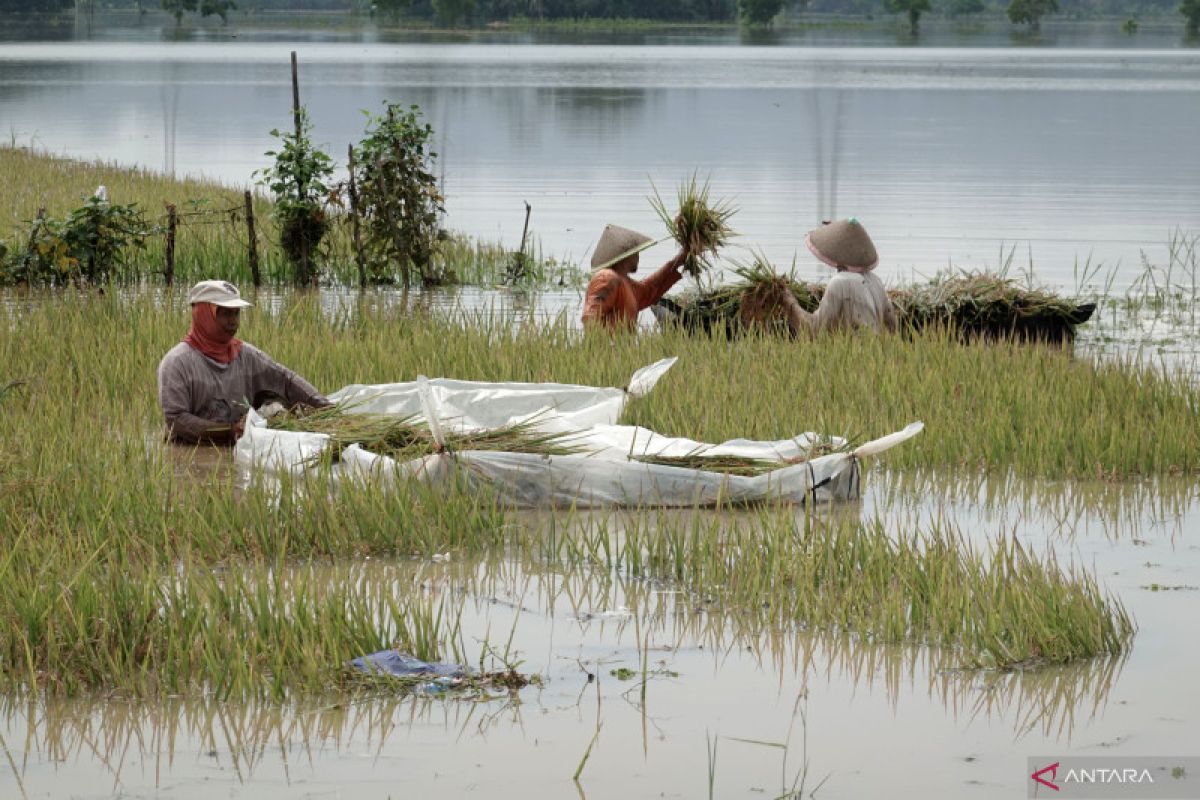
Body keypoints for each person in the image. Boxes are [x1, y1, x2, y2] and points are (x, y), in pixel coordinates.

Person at [157, 280, 330, 444]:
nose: (233, 322)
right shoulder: (177, 363)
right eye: (225, 313)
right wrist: (229, 431)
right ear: (204, 315)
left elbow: (285, 380)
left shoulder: (246, 355)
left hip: (236, 448)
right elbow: (176, 419)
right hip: (189, 454)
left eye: (236, 313)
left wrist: (324, 407)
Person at [773, 218, 898, 336]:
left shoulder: (839, 283)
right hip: (875, 352)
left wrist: (789, 302)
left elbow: (815, 330)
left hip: (855, 355)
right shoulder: (876, 281)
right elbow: (892, 326)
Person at [581, 224, 688, 329]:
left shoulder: (624, 282)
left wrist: (677, 261)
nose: (638, 257)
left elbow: (648, 290)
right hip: (609, 346)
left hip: (623, 345)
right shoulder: (607, 278)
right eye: (636, 253)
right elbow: (590, 318)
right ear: (626, 256)